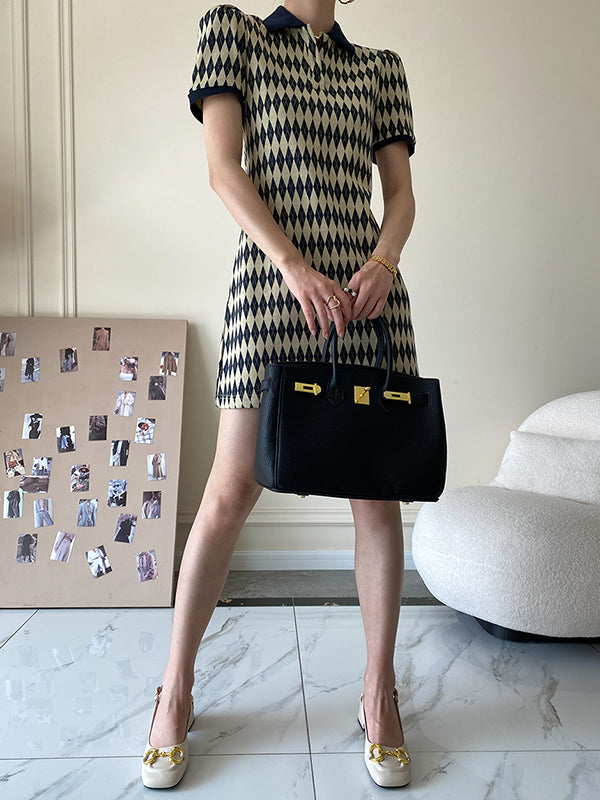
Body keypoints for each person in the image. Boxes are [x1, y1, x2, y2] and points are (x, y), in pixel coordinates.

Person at [142, 0, 418, 790]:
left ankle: (379, 696)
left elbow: (400, 197)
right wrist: (294, 266)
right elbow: (222, 170)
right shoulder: (233, 32)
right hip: (272, 292)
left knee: (376, 500)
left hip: (365, 303)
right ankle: (174, 691)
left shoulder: (379, 69)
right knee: (231, 492)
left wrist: (384, 263)